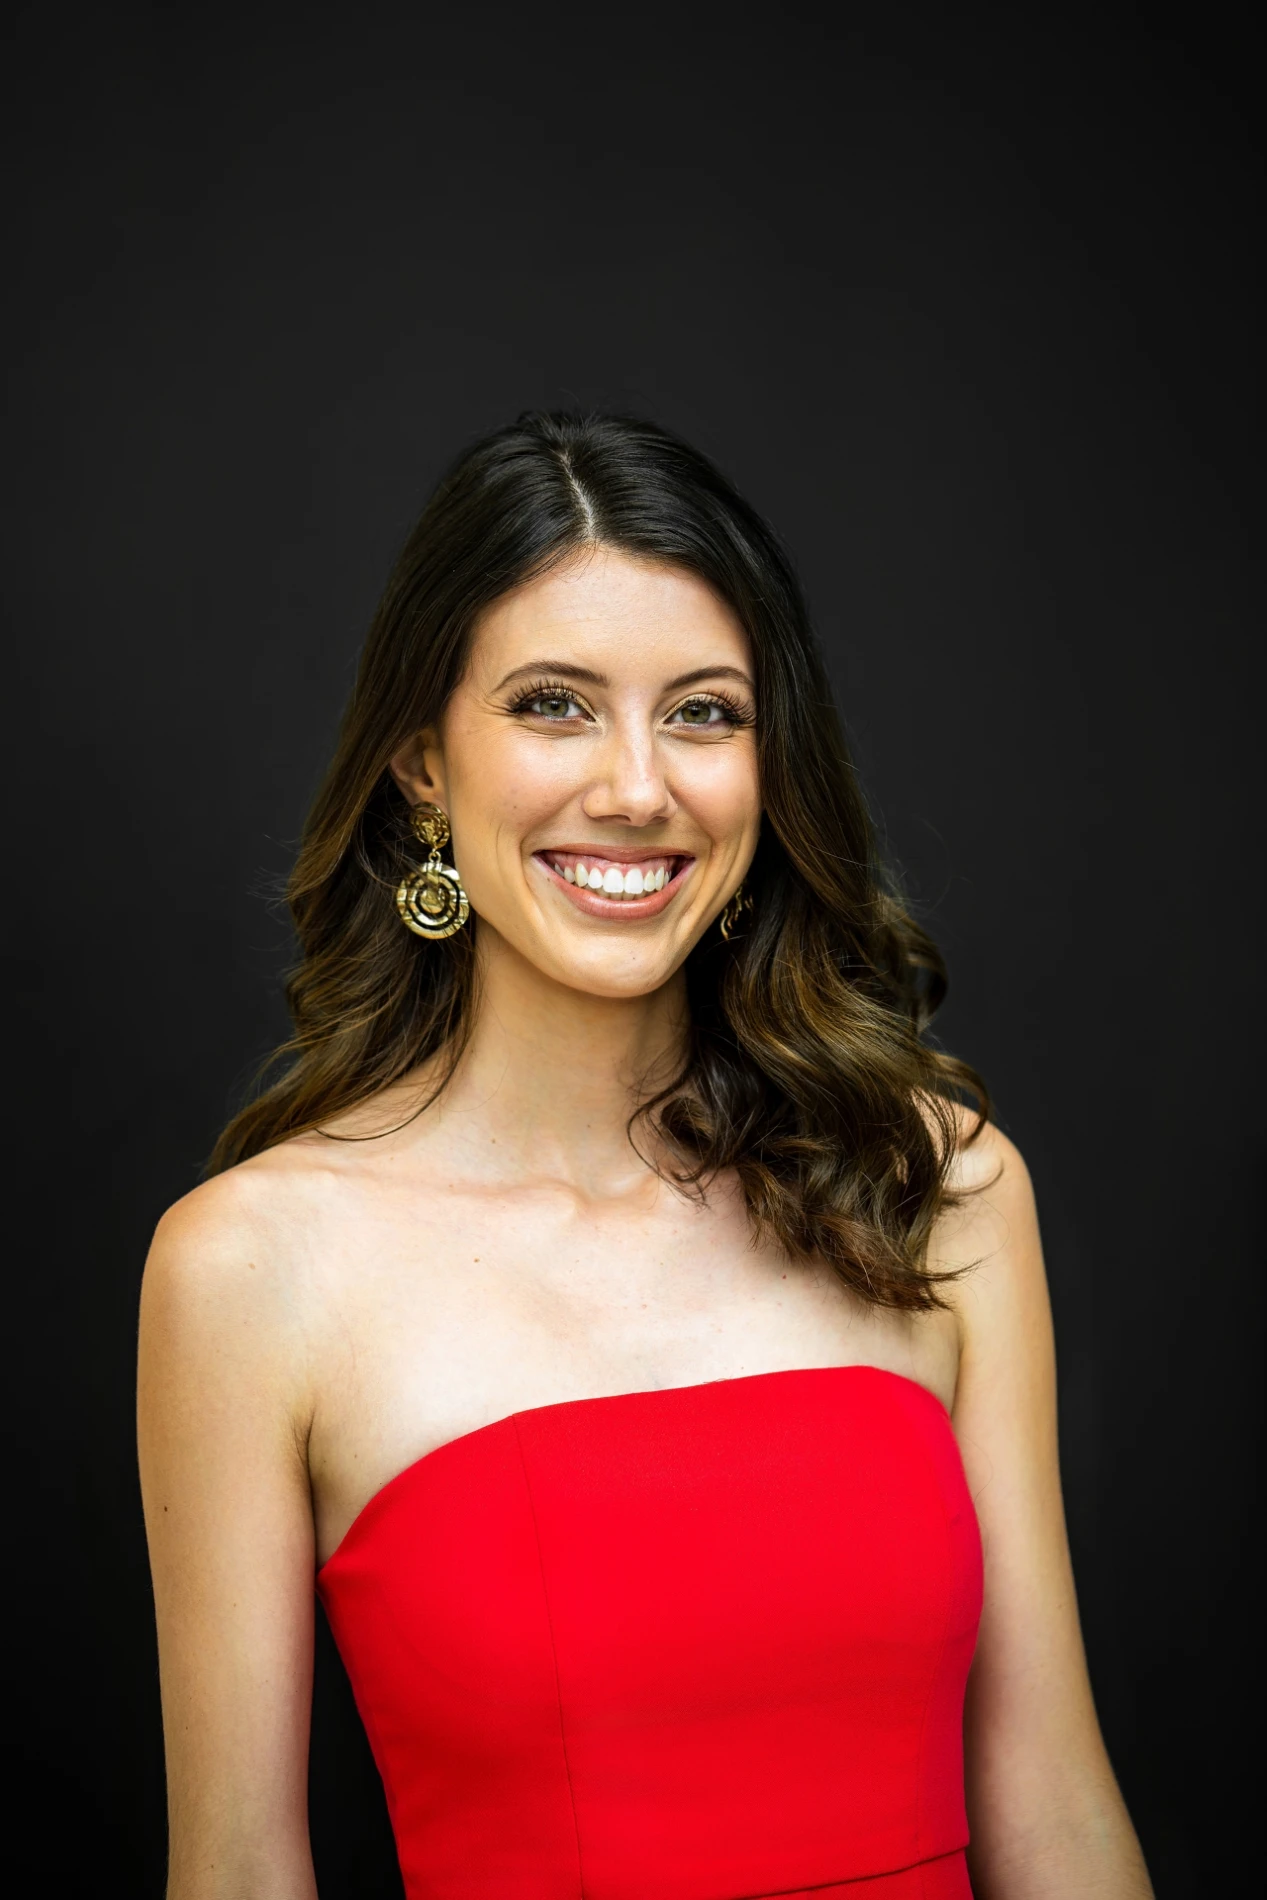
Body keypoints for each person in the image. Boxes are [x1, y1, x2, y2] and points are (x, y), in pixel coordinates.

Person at [138, 412, 1152, 1899]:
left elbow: (1056, 1814)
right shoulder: (250, 1270)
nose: (635, 788)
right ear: (422, 764)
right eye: (553, 705)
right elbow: (236, 1873)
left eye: (704, 714)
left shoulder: (938, 1186)